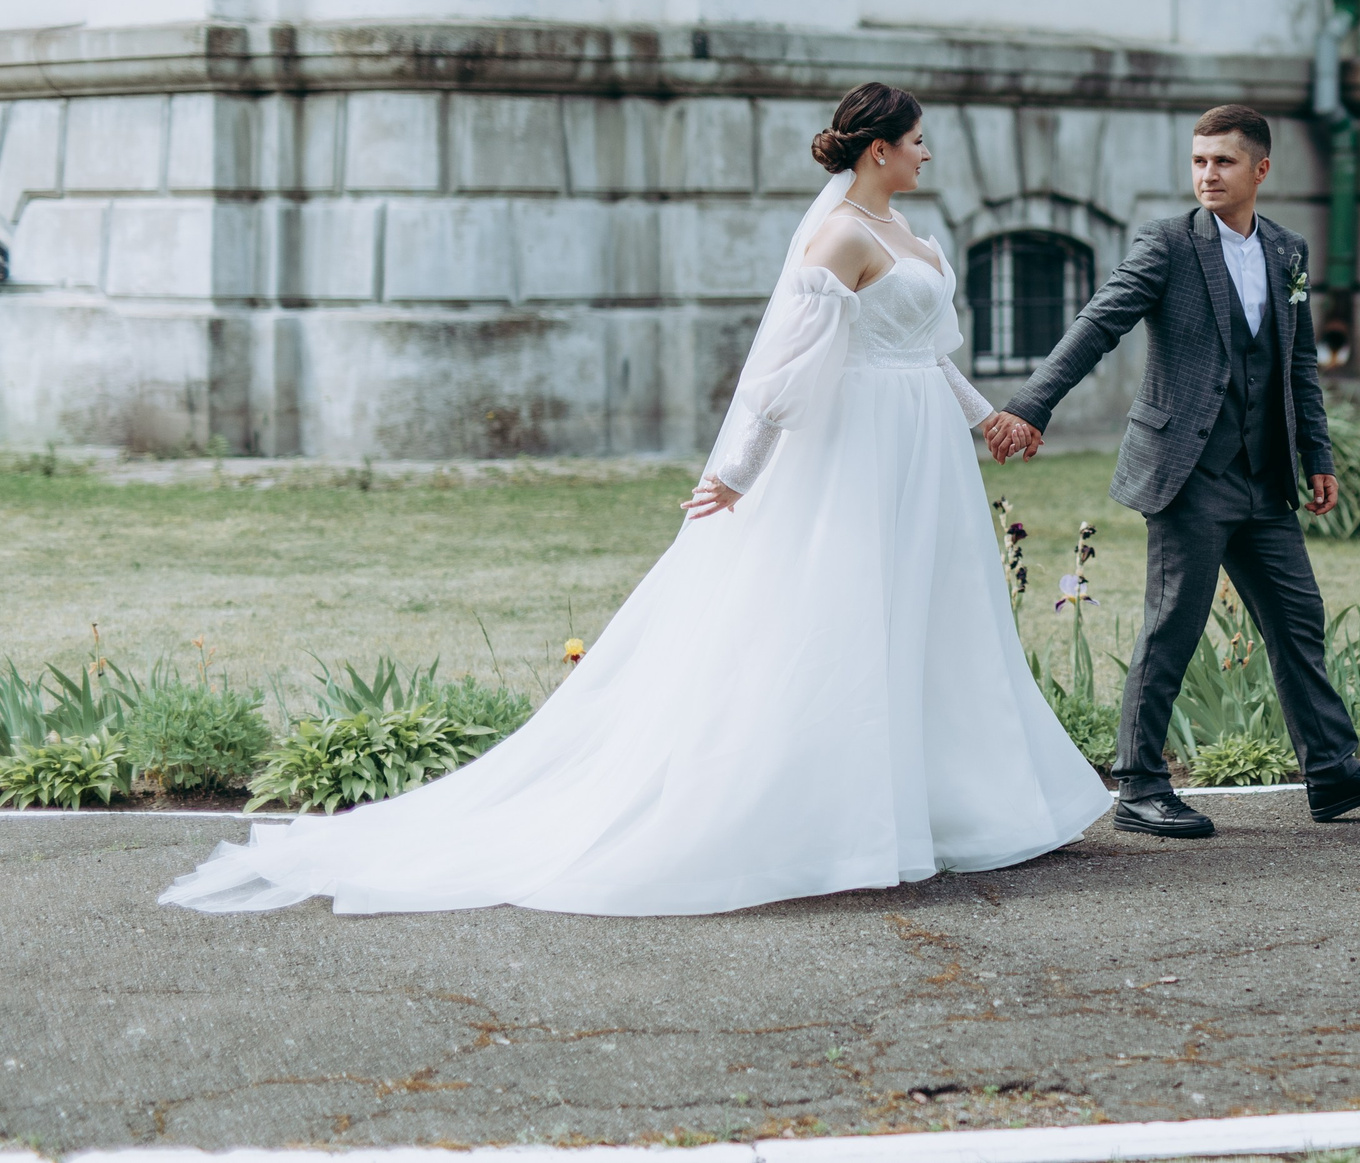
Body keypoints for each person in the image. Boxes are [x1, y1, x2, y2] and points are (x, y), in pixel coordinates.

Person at [160, 84, 1111, 916]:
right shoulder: (839, 236)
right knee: (846, 613)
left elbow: (926, 352)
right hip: (855, 445)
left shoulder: (910, 233)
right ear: (878, 149)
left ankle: (949, 803)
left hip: (921, 446)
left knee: (930, 614)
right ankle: (833, 818)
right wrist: (737, 467)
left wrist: (987, 418)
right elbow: (778, 363)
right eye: (915, 141)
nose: (926, 153)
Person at [981, 105, 1360, 839]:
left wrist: (1317, 454)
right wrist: (1032, 404)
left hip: (1263, 475)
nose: (1207, 175)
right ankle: (1141, 786)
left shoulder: (1288, 251)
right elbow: (1099, 323)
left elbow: (1299, 365)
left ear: (1261, 170)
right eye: (1198, 162)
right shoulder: (1168, 246)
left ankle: (1331, 769)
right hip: (1187, 471)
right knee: (1173, 626)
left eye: (1223, 161)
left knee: (1297, 616)